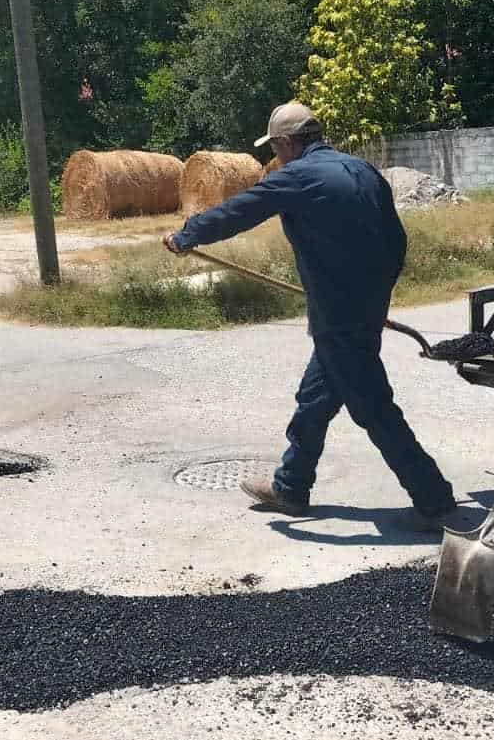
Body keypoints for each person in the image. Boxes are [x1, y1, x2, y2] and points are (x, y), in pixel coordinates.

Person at [162, 102, 457, 529]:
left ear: (285, 142)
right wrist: (375, 301)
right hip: (355, 309)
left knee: (372, 407)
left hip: (340, 316)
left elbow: (239, 211)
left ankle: (435, 500)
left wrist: (186, 236)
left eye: (276, 148)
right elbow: (397, 241)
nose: (275, 156)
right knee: (315, 399)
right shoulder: (363, 170)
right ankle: (291, 487)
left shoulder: (295, 176)